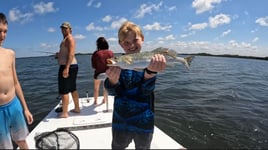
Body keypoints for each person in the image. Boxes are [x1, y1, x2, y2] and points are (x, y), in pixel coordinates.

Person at [104, 21, 166, 149]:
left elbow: (145, 91)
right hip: (121, 121)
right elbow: (112, 91)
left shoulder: (149, 62)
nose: (131, 45)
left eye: (135, 40)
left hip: (144, 120)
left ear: (142, 39)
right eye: (126, 42)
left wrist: (150, 74)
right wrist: (112, 81)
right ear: (120, 44)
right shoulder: (118, 63)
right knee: (117, 147)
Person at [0, 12, 34, 149]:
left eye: (5, 31)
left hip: (14, 105)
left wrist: (25, 108)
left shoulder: (10, 54)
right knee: (5, 146)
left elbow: (16, 82)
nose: (2, 35)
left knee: (21, 140)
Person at [55, 22, 80, 118]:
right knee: (72, 88)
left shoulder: (70, 38)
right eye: (62, 28)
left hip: (68, 66)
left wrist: (66, 68)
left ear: (70, 29)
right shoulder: (65, 39)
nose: (63, 30)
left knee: (64, 90)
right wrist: (59, 55)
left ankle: (64, 113)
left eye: (65, 28)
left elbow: (71, 54)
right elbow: (66, 53)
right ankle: (77, 108)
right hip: (70, 66)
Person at [91, 37, 114, 105]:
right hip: (108, 74)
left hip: (98, 74)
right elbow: (113, 64)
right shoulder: (110, 53)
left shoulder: (96, 53)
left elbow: (93, 66)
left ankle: (95, 101)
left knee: (96, 88)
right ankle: (104, 100)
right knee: (105, 88)